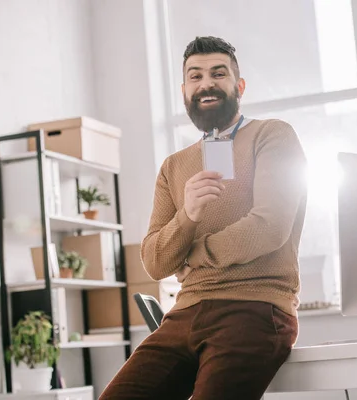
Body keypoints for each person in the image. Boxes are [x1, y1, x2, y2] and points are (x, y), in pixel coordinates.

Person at [99, 36, 308, 400]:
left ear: (238, 86)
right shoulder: (174, 166)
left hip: (255, 308)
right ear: (184, 91)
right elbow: (155, 261)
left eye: (218, 73)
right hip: (183, 315)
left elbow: (269, 228)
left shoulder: (272, 135)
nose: (205, 84)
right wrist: (188, 214)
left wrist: (193, 254)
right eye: (195, 76)